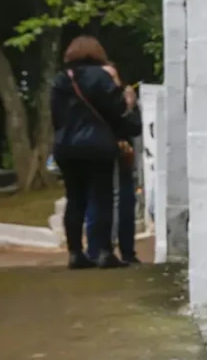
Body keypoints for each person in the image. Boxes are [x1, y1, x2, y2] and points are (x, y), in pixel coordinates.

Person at [50, 35, 141, 269]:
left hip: (66, 147)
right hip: (96, 145)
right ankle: (102, 251)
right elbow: (117, 108)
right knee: (101, 198)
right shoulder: (100, 76)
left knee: (75, 199)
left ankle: (75, 253)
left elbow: (55, 117)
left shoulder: (59, 80)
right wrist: (128, 99)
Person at [85, 62, 140, 264]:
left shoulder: (123, 99)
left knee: (125, 204)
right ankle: (97, 251)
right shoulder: (92, 101)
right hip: (99, 158)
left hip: (122, 159)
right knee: (98, 204)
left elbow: (135, 127)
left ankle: (127, 252)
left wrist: (130, 107)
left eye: (112, 77)